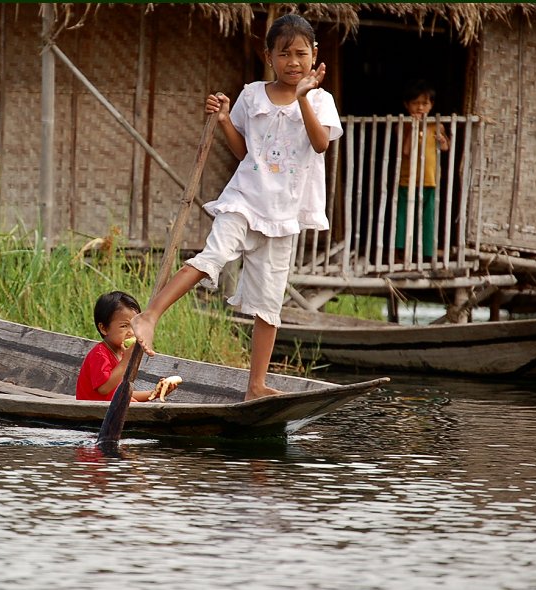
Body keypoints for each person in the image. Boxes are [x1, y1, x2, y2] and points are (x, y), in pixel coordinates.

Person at [130, 14, 342, 401]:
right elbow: (245, 151)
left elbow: (320, 144)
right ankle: (150, 315)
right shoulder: (252, 94)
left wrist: (302, 99)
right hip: (245, 199)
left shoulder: (321, 100)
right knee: (213, 256)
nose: (293, 62)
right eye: (284, 54)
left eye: (300, 54)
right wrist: (226, 119)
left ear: (315, 55)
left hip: (283, 215)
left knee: (269, 303)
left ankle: (255, 385)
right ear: (268, 56)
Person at [75, 291, 177, 402]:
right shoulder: (100, 354)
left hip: (109, 410)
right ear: (103, 328)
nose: (131, 332)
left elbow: (122, 392)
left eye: (134, 326)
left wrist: (154, 393)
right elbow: (104, 389)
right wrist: (126, 360)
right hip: (92, 413)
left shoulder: (121, 353)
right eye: (124, 326)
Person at [395, 78, 449, 260]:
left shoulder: (437, 125)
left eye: (424, 103)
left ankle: (427, 252)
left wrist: (442, 141)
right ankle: (400, 249)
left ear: (431, 105)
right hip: (407, 179)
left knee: (428, 217)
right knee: (403, 215)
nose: (420, 108)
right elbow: (406, 150)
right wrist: (414, 127)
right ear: (406, 105)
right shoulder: (401, 124)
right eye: (415, 103)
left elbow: (445, 148)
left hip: (429, 179)